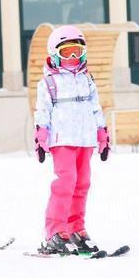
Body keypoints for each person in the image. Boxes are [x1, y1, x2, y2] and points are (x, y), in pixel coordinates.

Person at [34, 25, 110, 254]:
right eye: (67, 52)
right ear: (55, 53)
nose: (73, 57)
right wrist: (41, 135)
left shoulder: (87, 79)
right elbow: (42, 111)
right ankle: (56, 232)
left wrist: (102, 133)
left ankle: (76, 229)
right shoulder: (48, 82)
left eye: (77, 51)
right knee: (65, 183)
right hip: (63, 139)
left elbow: (95, 108)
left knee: (82, 184)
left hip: (85, 139)